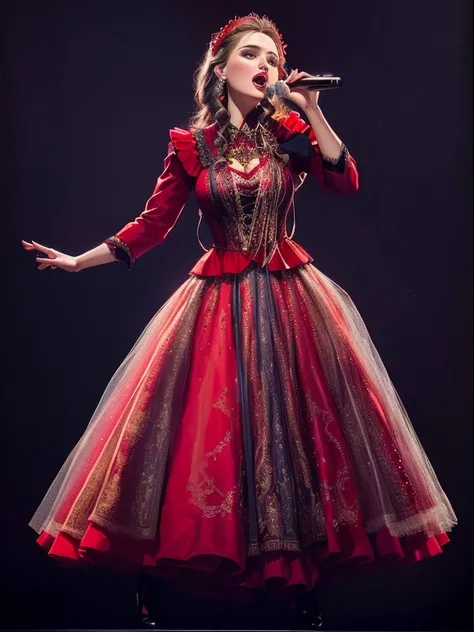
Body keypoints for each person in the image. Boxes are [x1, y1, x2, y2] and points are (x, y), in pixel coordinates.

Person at [23, 13, 457, 631]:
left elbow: (345, 179)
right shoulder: (192, 147)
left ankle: (303, 585)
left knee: (297, 439)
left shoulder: (289, 132)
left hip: (289, 294)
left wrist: (309, 109)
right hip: (216, 300)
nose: (265, 67)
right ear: (220, 70)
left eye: (273, 60)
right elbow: (153, 224)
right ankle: (159, 573)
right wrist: (77, 261)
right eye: (251, 55)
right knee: (197, 438)